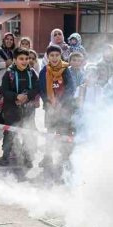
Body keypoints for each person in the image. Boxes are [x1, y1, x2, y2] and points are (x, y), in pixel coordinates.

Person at [0, 48, 39, 168]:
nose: (25, 61)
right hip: (11, 109)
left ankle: (28, 157)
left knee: (28, 134)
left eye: (26, 59)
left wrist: (27, 96)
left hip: (28, 109)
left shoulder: (32, 73)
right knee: (9, 133)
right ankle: (5, 156)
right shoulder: (9, 73)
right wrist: (16, 96)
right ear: (15, 60)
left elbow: (37, 88)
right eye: (21, 59)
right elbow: (4, 90)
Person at [38, 44, 75, 176]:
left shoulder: (66, 70)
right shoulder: (44, 71)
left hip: (64, 108)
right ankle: (47, 157)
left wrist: (61, 103)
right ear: (47, 57)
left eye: (57, 55)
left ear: (61, 56)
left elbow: (71, 88)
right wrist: (49, 103)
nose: (54, 58)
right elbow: (42, 90)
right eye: (51, 55)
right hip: (50, 108)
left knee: (63, 133)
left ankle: (64, 158)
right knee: (50, 134)